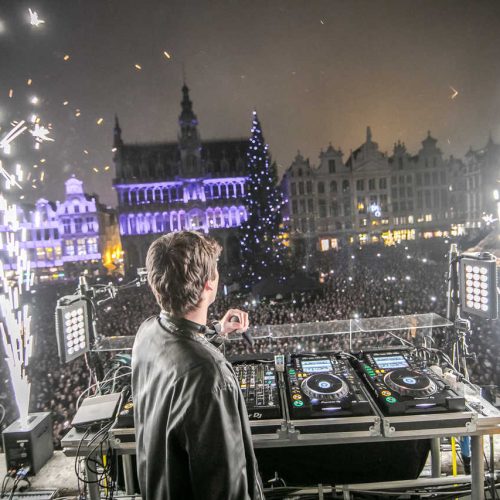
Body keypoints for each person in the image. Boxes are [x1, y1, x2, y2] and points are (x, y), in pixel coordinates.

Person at [132, 231, 264, 500]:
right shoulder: (209, 375)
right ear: (208, 285)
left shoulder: (146, 333)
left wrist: (216, 330)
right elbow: (227, 489)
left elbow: (178, 344)